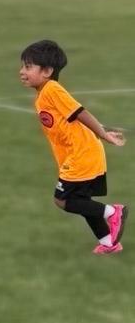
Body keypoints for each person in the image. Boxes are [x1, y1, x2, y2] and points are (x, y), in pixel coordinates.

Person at [20, 40, 127, 254]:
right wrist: (102, 131)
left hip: (81, 155)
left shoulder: (51, 90)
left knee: (62, 200)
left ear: (47, 71)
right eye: (23, 66)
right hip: (80, 153)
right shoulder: (44, 92)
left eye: (28, 66)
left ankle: (112, 212)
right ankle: (108, 243)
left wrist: (103, 134)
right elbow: (73, 120)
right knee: (81, 201)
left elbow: (80, 112)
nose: (22, 71)